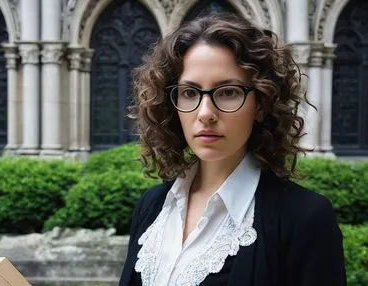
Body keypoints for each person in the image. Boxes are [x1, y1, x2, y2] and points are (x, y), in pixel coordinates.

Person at [119, 13, 346, 286]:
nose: (205, 113)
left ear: (261, 104)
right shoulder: (152, 206)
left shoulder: (305, 218)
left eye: (228, 92)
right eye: (190, 93)